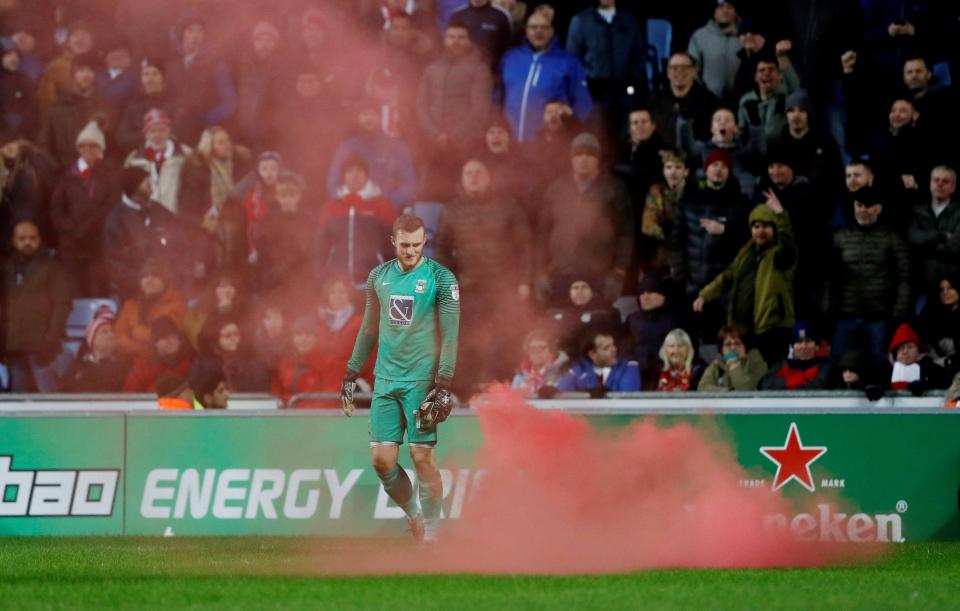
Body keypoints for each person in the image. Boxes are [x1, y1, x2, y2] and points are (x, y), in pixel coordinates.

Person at [341, 214, 460, 543]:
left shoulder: (442, 278)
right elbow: (368, 328)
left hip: (421, 383)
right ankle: (416, 517)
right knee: (382, 461)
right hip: (385, 381)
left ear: (425, 242)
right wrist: (352, 372)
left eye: (417, 245)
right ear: (393, 241)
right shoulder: (378, 276)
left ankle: (433, 536)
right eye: (405, 244)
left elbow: (450, 337)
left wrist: (444, 382)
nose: (410, 251)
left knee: (422, 457)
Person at [536, 132, 633, 304]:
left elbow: (625, 233)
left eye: (589, 154)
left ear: (597, 159)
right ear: (571, 158)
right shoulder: (557, 188)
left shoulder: (614, 188)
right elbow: (543, 231)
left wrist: (619, 272)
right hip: (561, 275)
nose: (584, 159)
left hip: (599, 276)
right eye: (579, 154)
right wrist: (540, 271)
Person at [825, 186, 910, 367]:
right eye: (859, 205)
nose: (863, 210)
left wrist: (898, 313)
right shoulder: (840, 238)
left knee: (879, 365)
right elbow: (828, 278)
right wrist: (826, 311)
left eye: (868, 205)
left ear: (879, 208)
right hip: (845, 316)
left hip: (879, 317)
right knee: (838, 365)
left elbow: (905, 278)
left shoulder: (892, 238)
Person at [49, 120, 119, 296]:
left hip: (98, 244)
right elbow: (56, 208)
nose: (87, 149)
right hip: (71, 246)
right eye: (83, 146)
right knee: (75, 293)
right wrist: (71, 227)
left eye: (93, 145)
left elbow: (112, 204)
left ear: (100, 149)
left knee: (98, 291)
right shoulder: (66, 176)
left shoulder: (110, 174)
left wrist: (91, 225)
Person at [1, 220, 72, 392]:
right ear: (13, 240)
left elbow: (62, 305)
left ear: (40, 239)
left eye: (32, 238)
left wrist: (51, 341)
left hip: (43, 349)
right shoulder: (5, 268)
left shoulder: (53, 267)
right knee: (19, 407)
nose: (27, 242)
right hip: (14, 349)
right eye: (22, 238)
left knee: (49, 403)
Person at [500, 11, 592, 142]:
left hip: (548, 144)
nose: (538, 31)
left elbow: (583, 103)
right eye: (533, 27)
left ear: (552, 31)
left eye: (544, 27)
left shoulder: (568, 62)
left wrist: (572, 132)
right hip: (511, 141)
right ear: (526, 30)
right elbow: (498, 95)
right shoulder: (510, 58)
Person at [317, 155, 397, 289]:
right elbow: (320, 248)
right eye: (349, 171)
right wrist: (322, 277)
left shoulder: (383, 206)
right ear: (344, 176)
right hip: (338, 287)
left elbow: (393, 248)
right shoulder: (330, 207)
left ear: (367, 175)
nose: (354, 175)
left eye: (359, 171)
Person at [565, 0, 645, 132]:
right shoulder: (581, 20)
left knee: (623, 142)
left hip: (623, 96)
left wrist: (631, 80)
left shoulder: (629, 21)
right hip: (593, 98)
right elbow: (572, 60)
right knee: (597, 140)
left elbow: (639, 55)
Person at [123, 108, 192, 215]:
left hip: (177, 218)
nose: (157, 135)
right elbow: (129, 196)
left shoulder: (186, 155)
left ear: (169, 131)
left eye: (161, 130)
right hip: (146, 221)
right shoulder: (134, 160)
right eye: (152, 131)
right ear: (146, 134)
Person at [114, 259, 188, 357]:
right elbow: (119, 334)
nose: (149, 279)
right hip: (131, 361)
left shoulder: (177, 305)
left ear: (165, 280)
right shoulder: (130, 306)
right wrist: (141, 349)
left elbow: (174, 337)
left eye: (155, 275)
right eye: (145, 276)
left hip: (165, 362)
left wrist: (140, 333)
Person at [906, 166, 960, 296]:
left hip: (952, 283)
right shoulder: (916, 211)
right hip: (919, 282)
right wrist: (941, 236)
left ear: (953, 187)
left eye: (945, 181)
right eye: (936, 180)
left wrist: (926, 244)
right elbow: (911, 239)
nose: (940, 184)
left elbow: (956, 246)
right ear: (930, 184)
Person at [648, 52, 720, 148]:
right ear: (668, 72)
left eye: (685, 67)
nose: (680, 71)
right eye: (674, 67)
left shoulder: (710, 102)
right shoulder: (653, 101)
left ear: (693, 71)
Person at [640, 150, 690, 274]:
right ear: (663, 170)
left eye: (678, 167)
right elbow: (647, 224)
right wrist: (665, 234)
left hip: (689, 252)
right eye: (669, 167)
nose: (673, 172)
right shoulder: (656, 191)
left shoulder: (694, 191)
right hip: (662, 253)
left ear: (686, 171)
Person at [61, 308, 132, 393]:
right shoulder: (77, 367)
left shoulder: (124, 365)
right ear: (93, 339)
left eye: (113, 331)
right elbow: (63, 392)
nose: (111, 334)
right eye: (104, 332)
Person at [624, 272, 681, 373]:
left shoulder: (677, 319)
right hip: (637, 373)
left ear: (663, 295)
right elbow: (623, 349)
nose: (645, 297)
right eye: (642, 293)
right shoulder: (632, 319)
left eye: (650, 292)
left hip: (667, 374)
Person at [122, 315, 195, 393]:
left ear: (179, 337)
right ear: (155, 344)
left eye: (172, 335)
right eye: (162, 338)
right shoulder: (144, 365)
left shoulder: (193, 361)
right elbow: (131, 393)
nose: (169, 341)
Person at [687, 0, 742, 102]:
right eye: (721, 7)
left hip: (740, 100)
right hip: (708, 101)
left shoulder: (746, 36)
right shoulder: (699, 37)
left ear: (735, 11)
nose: (725, 11)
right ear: (714, 12)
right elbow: (692, 71)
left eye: (729, 7)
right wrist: (703, 96)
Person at [557, 330, 640, 395]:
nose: (614, 349)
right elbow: (562, 391)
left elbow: (627, 397)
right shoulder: (580, 368)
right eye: (606, 348)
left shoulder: (628, 367)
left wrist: (607, 393)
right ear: (592, 354)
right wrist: (552, 392)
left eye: (613, 345)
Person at [198, 318, 269, 393]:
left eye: (236, 334)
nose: (234, 339)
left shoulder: (250, 362)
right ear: (216, 338)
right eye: (228, 335)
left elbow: (259, 392)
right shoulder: (204, 362)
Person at [760, 321, 832, 391]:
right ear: (793, 347)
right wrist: (797, 380)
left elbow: (818, 386)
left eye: (808, 341)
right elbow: (765, 384)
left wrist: (787, 383)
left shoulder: (825, 367)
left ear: (817, 346)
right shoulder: (782, 365)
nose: (803, 346)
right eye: (799, 342)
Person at [697, 323, 769, 391]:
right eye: (728, 344)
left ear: (745, 346)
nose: (733, 348)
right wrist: (729, 393)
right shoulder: (717, 365)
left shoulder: (756, 363)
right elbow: (702, 387)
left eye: (737, 343)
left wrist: (733, 363)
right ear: (721, 349)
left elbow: (745, 389)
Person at [918, 273, 960, 380]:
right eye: (942, 289)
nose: (945, 292)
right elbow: (928, 347)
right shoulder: (931, 314)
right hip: (938, 366)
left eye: (950, 288)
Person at [449, 0, 511, 70]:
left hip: (490, 73)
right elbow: (449, 45)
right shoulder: (457, 15)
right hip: (460, 71)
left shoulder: (501, 16)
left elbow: (507, 49)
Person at [887, 322, 946, 394]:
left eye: (910, 347)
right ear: (895, 353)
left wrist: (925, 385)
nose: (905, 351)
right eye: (900, 348)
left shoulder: (929, 367)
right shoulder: (887, 370)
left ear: (918, 350)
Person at [511, 329, 569, 398]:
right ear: (528, 353)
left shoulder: (563, 374)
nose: (537, 351)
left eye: (541, 348)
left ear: (552, 352)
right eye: (533, 348)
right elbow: (512, 402)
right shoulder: (520, 377)